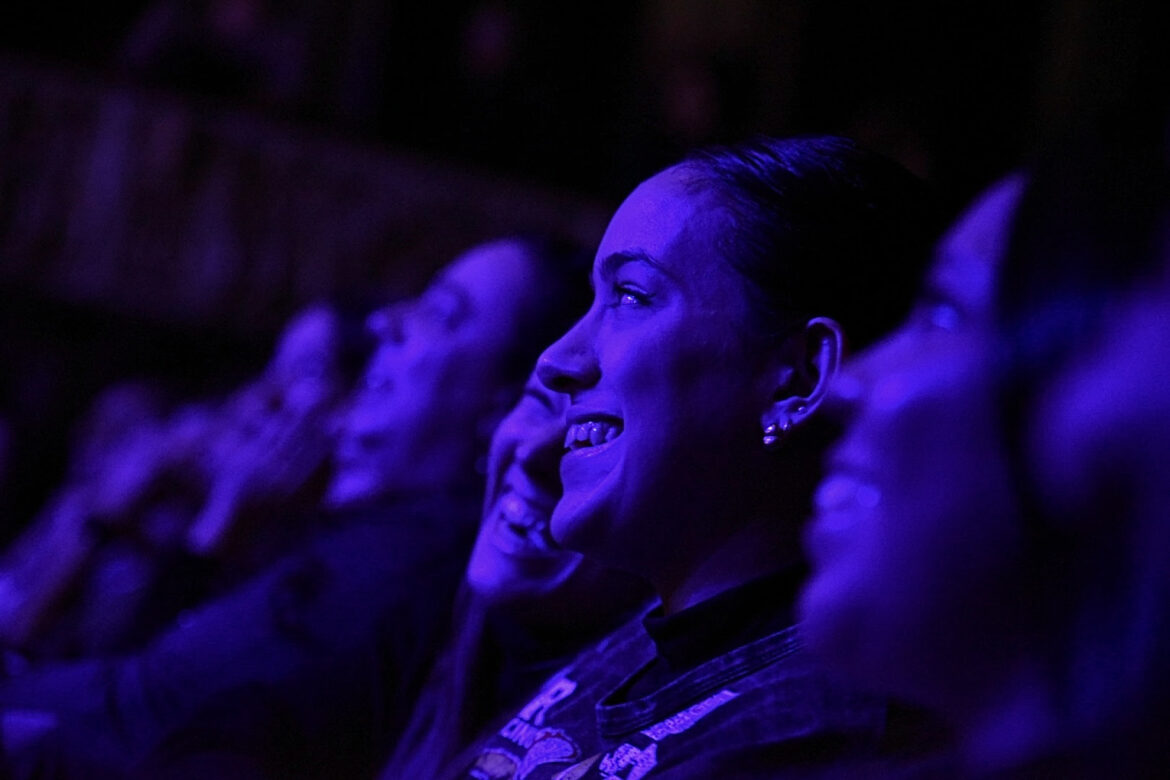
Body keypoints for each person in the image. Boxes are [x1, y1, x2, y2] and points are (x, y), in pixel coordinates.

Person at [0, 235, 593, 777]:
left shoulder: (424, 567)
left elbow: (165, 728)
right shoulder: (357, 538)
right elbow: (149, 687)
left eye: (441, 313)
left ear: (507, 399)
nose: (390, 322)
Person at [447, 135, 942, 779]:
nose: (559, 360)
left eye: (630, 295)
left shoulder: (808, 738)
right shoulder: (644, 640)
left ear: (794, 380)